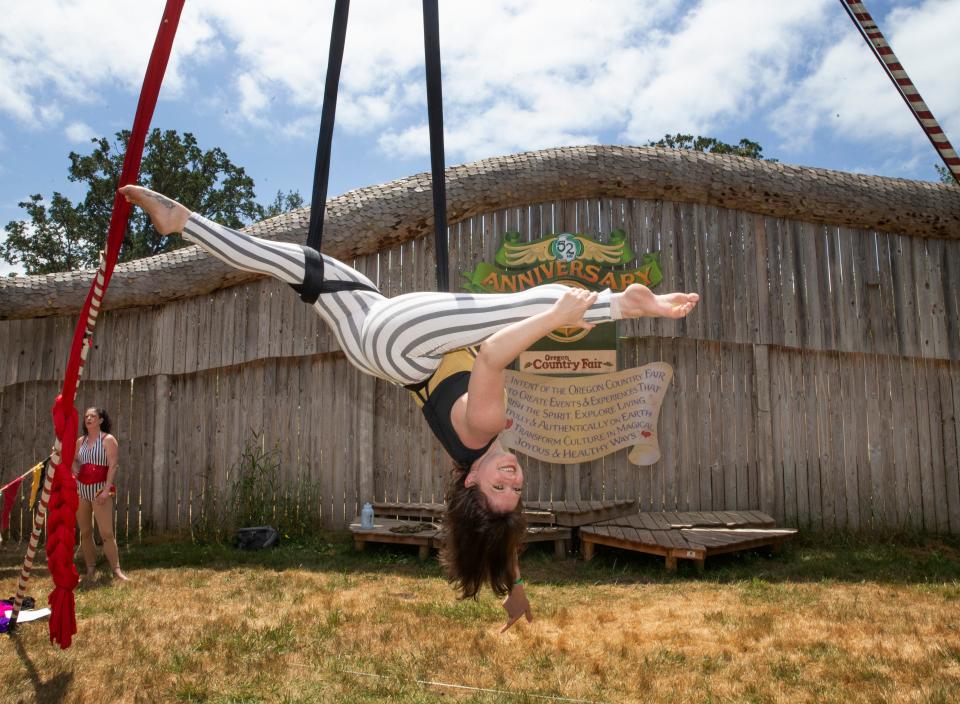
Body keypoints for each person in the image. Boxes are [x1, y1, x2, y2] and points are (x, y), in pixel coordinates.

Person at [120, 184, 698, 629]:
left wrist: (553, 319)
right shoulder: (471, 457)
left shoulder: (483, 430)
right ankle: (185, 222)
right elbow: (497, 531)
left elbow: (495, 354)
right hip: (372, 336)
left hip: (400, 344)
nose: (514, 478)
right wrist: (512, 588)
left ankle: (620, 304)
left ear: (472, 482)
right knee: (297, 264)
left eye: (500, 486)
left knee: (516, 310)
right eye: (516, 489)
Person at [73, 407, 130, 582]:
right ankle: (90, 568)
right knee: (85, 532)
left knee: (106, 532)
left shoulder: (108, 440)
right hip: (82, 491)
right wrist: (74, 474)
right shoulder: (80, 442)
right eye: (86, 416)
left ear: (101, 420)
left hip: (100, 492)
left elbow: (113, 466)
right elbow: (75, 461)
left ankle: (116, 570)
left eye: (93, 416)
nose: (89, 419)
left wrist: (106, 490)